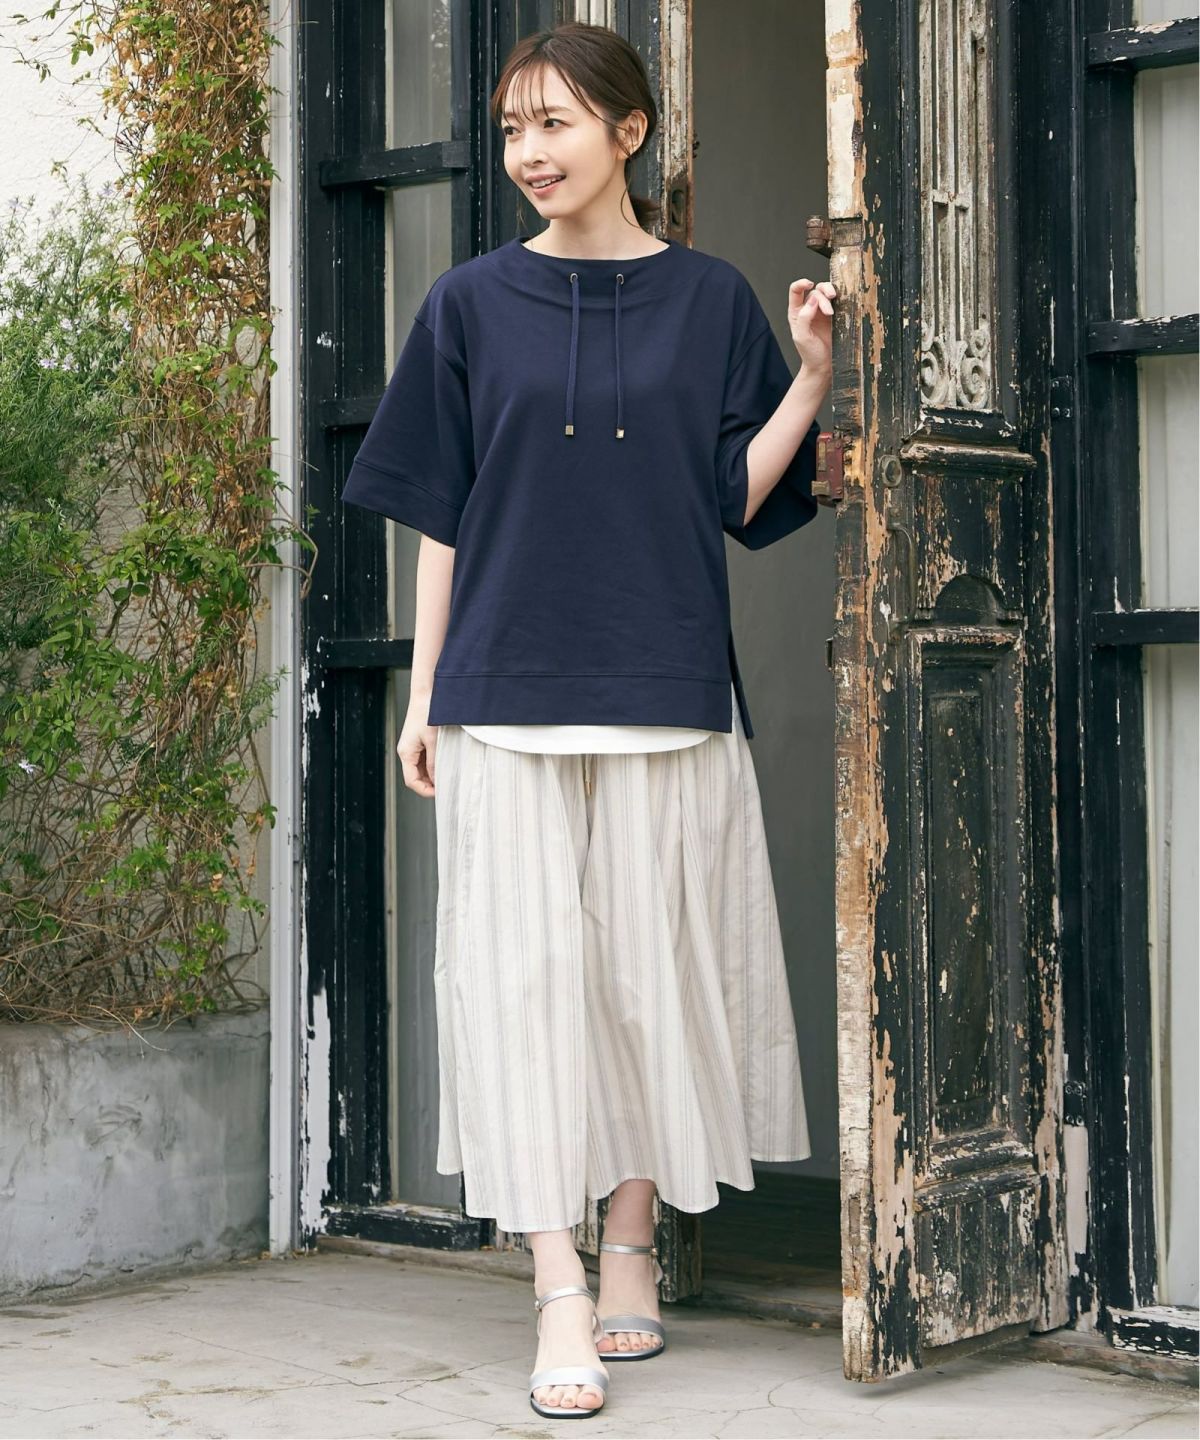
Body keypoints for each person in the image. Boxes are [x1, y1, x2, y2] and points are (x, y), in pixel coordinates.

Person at [340, 19, 836, 1422]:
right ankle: (555, 1276)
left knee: (645, 982)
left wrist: (809, 375)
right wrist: (425, 692)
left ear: (630, 132)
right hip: (504, 693)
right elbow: (442, 518)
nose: (528, 153)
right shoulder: (467, 305)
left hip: (666, 687)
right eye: (512, 129)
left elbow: (736, 497)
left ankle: (631, 1244)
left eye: (554, 123)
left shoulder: (711, 298)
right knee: (524, 989)